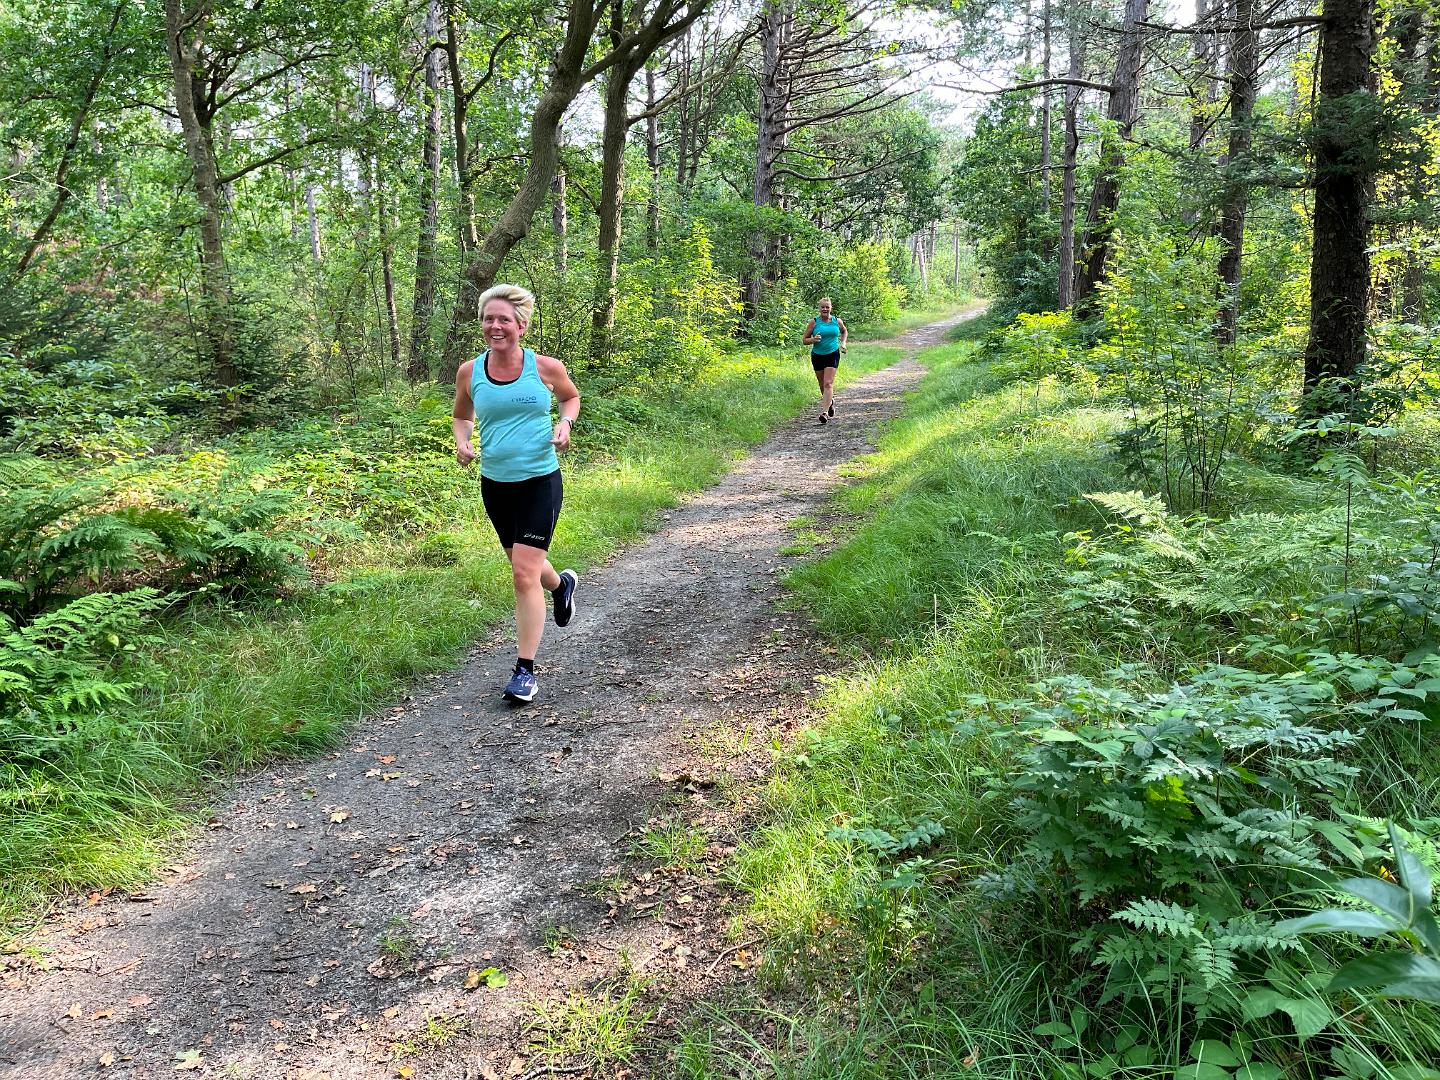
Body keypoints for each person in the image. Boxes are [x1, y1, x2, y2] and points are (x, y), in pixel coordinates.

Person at [452, 284, 581, 703]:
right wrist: (462, 441)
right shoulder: (470, 372)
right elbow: (461, 415)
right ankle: (561, 586)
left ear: (521, 325)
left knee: (523, 573)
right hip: (496, 485)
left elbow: (570, 397)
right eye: (489, 318)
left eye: (504, 319)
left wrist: (564, 423)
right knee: (526, 565)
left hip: (540, 481)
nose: (495, 326)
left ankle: (524, 671)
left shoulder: (544, 367)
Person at [802, 297, 847, 424]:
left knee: (828, 383)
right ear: (819, 308)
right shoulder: (814, 322)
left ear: (831, 308)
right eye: (823, 307)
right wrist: (813, 340)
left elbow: (844, 331)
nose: (825, 309)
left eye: (827, 307)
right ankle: (830, 402)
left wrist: (843, 343)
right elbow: (804, 340)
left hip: (832, 353)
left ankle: (825, 413)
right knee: (822, 385)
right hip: (817, 355)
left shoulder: (837, 321)